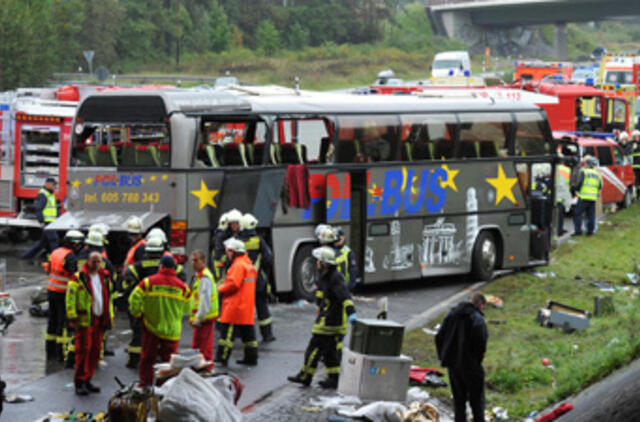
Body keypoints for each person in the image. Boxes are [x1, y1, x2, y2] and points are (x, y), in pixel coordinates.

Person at [288, 246, 356, 389]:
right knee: (331, 353)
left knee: (313, 350)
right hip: (329, 320)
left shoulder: (335, 278)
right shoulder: (324, 276)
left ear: (325, 263)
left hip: (330, 323)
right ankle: (334, 379)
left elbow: (345, 297)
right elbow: (322, 295)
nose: (317, 262)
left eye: (319, 260)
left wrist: (351, 313)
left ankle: (305, 375)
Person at [122, 236, 185, 369]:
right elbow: (182, 281)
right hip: (167, 308)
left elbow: (128, 286)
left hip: (145, 308)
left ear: (147, 251)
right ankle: (164, 363)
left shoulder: (137, 267)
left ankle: (134, 361)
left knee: (139, 335)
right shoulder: (173, 267)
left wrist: (134, 309)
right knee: (164, 336)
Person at [128, 256, 191, 386]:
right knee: (169, 362)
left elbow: (133, 299)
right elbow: (188, 308)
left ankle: (145, 385)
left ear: (161, 267)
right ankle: (164, 387)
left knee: (147, 359)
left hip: (151, 327)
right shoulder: (183, 288)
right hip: (172, 330)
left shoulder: (147, 282)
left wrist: (138, 314)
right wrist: (176, 313)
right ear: (174, 268)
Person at [435, 292, 488, 422]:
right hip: (471, 366)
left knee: (459, 401)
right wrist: (477, 360)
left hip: (453, 365)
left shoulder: (452, 314)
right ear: (480, 304)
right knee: (477, 401)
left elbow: (439, 337)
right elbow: (481, 341)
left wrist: (444, 357)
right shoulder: (477, 318)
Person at [66, 252, 113, 396]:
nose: (97, 264)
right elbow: (70, 297)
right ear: (88, 261)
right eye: (94, 261)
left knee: (95, 351)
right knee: (83, 351)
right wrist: (73, 317)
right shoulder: (78, 277)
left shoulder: (104, 277)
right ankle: (79, 382)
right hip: (84, 320)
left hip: (99, 320)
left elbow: (108, 299)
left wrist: (110, 316)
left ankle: (88, 379)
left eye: (99, 261)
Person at [214, 238, 259, 367]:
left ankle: (222, 357)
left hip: (235, 306)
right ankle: (251, 358)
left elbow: (233, 284)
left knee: (227, 335)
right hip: (246, 306)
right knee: (248, 335)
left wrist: (220, 288)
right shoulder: (248, 264)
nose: (227, 253)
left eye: (229, 250)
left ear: (234, 252)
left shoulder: (238, 265)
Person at [44, 230, 84, 363]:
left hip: (51, 290)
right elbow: (75, 276)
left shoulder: (56, 252)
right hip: (63, 293)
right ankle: (61, 353)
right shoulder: (70, 257)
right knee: (63, 323)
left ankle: (50, 351)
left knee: (52, 322)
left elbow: (49, 269)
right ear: (74, 244)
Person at [239, 213, 276, 342]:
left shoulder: (236, 242)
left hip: (241, 283)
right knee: (262, 308)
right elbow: (268, 259)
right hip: (257, 282)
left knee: (243, 310)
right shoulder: (259, 241)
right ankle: (267, 334)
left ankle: (242, 335)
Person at [189, 250, 219, 371]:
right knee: (201, 346)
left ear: (204, 261)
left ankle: (205, 369)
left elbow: (204, 301)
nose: (193, 263)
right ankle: (203, 368)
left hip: (204, 319)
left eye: (196, 260)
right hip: (204, 318)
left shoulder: (204, 278)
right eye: (192, 260)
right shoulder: (201, 276)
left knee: (202, 347)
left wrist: (198, 318)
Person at [21, 178, 59, 260]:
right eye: (53, 185)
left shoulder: (50, 194)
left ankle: (26, 256)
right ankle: (56, 259)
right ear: (48, 184)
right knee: (54, 240)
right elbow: (38, 209)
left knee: (43, 242)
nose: (55, 187)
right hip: (47, 222)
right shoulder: (43, 194)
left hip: (51, 222)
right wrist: (42, 221)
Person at [572, 156, 602, 236]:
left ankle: (578, 232)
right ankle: (590, 232)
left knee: (577, 214)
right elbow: (600, 186)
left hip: (583, 197)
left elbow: (580, 183)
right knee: (591, 216)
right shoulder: (597, 174)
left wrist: (575, 189)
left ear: (587, 164)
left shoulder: (584, 172)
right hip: (593, 198)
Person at [333, 228, 359, 292]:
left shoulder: (348, 252)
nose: (338, 239)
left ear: (344, 238)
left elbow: (353, 271)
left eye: (340, 237)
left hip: (344, 287)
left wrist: (348, 288)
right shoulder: (329, 251)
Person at [631, 130, 640, 197]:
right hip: (634, 166)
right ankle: (635, 195)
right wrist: (633, 148)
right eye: (635, 136)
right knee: (635, 181)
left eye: (638, 136)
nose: (637, 137)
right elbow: (629, 152)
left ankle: (639, 194)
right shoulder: (631, 144)